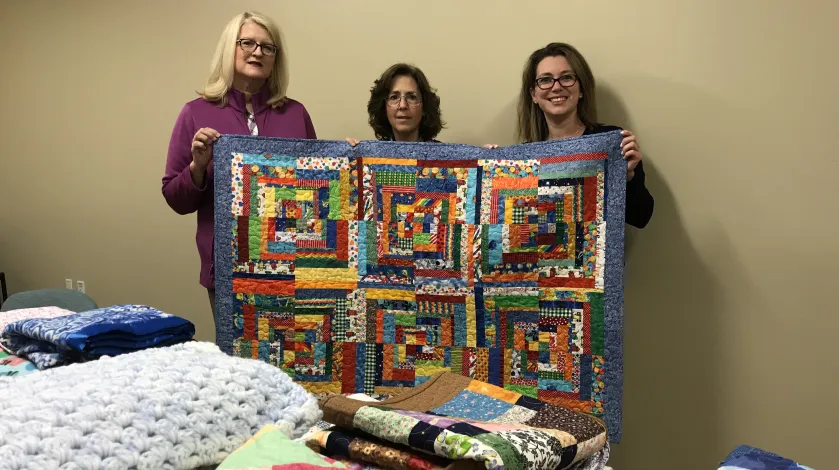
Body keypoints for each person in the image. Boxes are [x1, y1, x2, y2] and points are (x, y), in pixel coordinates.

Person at [161, 11, 317, 322]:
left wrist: (350, 158)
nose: (257, 52)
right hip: (228, 268)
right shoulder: (196, 113)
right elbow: (175, 198)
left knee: (293, 363)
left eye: (267, 47)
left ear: (275, 58)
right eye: (247, 43)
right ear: (229, 48)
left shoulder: (295, 114)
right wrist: (198, 167)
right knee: (238, 367)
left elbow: (317, 189)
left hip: (291, 267)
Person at [488, 42, 654, 228]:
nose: (556, 87)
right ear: (533, 94)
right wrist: (488, 170)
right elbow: (507, 225)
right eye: (545, 80)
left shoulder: (611, 144)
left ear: (581, 89)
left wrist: (628, 178)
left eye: (566, 77)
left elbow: (641, 217)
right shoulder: (525, 158)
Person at [346, 63, 444, 145]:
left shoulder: (444, 158)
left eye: (412, 97)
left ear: (424, 107)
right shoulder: (371, 157)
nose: (402, 105)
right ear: (383, 107)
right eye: (394, 97)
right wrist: (350, 156)